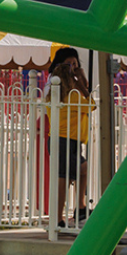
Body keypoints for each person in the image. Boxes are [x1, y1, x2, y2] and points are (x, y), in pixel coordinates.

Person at [47, 48, 94, 226]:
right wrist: (82, 84)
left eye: (75, 64)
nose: (73, 68)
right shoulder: (60, 87)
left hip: (73, 139)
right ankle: (57, 218)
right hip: (63, 138)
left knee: (82, 169)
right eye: (69, 64)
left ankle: (80, 207)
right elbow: (90, 104)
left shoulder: (72, 87)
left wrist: (81, 80)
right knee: (63, 177)